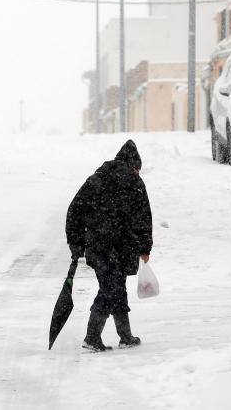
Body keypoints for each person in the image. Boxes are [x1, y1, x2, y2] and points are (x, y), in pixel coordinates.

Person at [65, 140, 153, 352]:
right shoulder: (135, 183)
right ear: (134, 165)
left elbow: (74, 211)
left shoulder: (97, 179)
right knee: (111, 289)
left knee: (115, 288)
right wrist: (144, 247)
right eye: (137, 168)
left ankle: (125, 335)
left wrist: (76, 243)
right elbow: (144, 218)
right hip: (121, 248)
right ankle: (92, 336)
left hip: (98, 246)